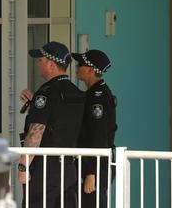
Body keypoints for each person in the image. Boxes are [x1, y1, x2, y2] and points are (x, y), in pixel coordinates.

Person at [18, 41, 86, 208]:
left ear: (50, 64)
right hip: (69, 168)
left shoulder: (47, 93)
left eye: (40, 60)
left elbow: (36, 133)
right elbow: (61, 118)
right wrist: (35, 103)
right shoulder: (75, 92)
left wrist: (23, 165)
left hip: (46, 168)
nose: (38, 64)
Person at [72, 50, 117, 208]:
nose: (77, 68)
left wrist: (92, 172)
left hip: (95, 164)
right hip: (89, 162)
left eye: (80, 65)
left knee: (93, 203)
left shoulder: (99, 96)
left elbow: (99, 134)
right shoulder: (92, 93)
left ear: (90, 70)